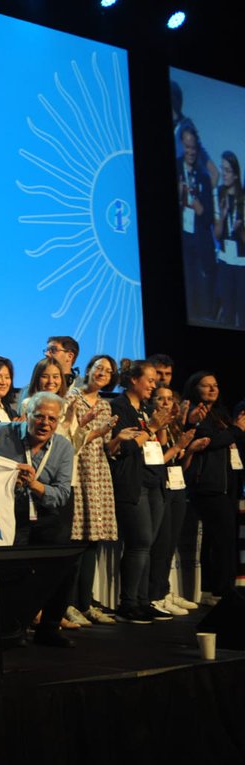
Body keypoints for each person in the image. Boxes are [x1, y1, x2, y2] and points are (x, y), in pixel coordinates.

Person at [0, 392, 76, 647]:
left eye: (52, 419)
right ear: (26, 415)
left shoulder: (63, 446)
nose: (45, 423)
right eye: (39, 416)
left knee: (65, 560)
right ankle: (11, 629)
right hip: (9, 513)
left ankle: (49, 628)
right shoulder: (1, 434)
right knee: (13, 571)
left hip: (45, 513)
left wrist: (36, 486)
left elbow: (62, 493)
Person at [107, 361, 168, 624]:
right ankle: (128, 602)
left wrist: (160, 423)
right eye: (150, 380)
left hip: (154, 481)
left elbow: (159, 443)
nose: (154, 385)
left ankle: (144, 601)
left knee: (148, 544)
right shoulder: (119, 407)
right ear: (133, 380)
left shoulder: (144, 408)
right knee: (139, 543)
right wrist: (151, 427)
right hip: (133, 483)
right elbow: (124, 449)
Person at [62, 355, 120, 625]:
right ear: (88, 370)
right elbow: (68, 433)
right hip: (78, 469)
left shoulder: (106, 406)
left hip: (99, 472)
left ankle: (85, 603)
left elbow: (108, 446)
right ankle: (68, 604)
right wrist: (89, 427)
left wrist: (119, 437)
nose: (103, 373)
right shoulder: (72, 396)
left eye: (108, 371)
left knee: (93, 540)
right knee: (76, 540)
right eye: (99, 368)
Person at [180, 371, 244, 606]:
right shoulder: (194, 415)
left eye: (215, 385)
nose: (212, 389)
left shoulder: (219, 414)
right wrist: (236, 430)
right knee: (223, 539)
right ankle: (223, 590)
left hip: (227, 484)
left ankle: (213, 588)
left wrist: (235, 431)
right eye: (206, 386)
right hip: (207, 485)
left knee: (217, 539)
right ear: (195, 388)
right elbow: (210, 442)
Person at [148, 384, 206, 617]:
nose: (165, 403)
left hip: (177, 486)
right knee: (160, 544)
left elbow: (181, 464)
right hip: (160, 487)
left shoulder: (173, 426)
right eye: (160, 399)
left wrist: (189, 450)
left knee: (170, 543)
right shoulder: (153, 426)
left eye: (169, 399)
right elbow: (159, 459)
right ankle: (155, 595)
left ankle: (165, 590)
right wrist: (180, 447)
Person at [178, 122, 216, 323]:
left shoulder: (203, 176)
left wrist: (199, 207)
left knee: (201, 284)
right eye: (187, 147)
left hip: (199, 238)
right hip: (182, 238)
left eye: (193, 148)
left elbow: (209, 216)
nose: (190, 152)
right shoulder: (175, 167)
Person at [213, 151, 245, 326]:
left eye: (227, 171)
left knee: (242, 310)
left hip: (241, 264)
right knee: (227, 311)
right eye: (222, 169)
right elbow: (217, 235)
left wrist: (240, 230)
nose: (223, 174)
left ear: (236, 174)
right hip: (225, 262)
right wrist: (223, 216)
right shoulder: (219, 194)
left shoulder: (243, 197)